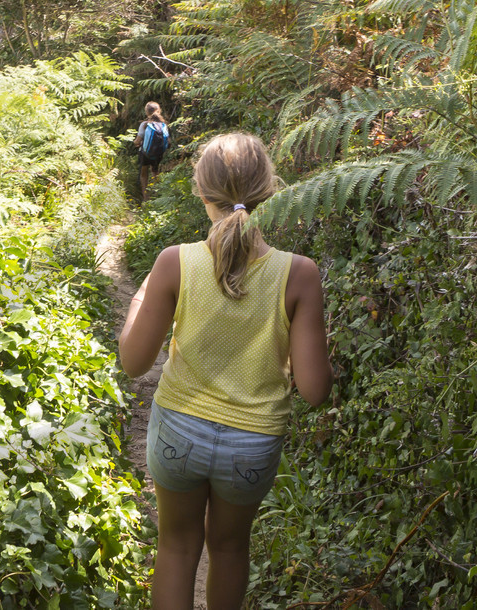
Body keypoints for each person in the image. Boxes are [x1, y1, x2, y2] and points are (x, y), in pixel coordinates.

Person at [118, 133, 332, 610]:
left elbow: (134, 363)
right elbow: (315, 389)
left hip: (178, 432)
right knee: (231, 549)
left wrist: (138, 301)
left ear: (201, 191)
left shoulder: (175, 262)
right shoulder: (300, 273)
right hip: (252, 445)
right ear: (270, 189)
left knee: (176, 547)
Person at [133, 102, 171, 198]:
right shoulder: (163, 125)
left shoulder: (145, 124)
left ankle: (146, 198)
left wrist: (135, 143)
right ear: (159, 111)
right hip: (158, 154)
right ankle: (157, 195)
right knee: (155, 172)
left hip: (145, 154)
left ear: (146, 112)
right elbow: (168, 141)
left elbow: (138, 141)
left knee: (144, 174)